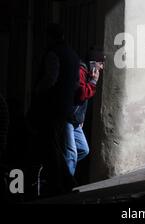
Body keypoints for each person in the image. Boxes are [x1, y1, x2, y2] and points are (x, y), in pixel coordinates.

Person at [28, 23, 80, 196]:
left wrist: (36, 91)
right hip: (66, 107)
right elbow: (76, 83)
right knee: (55, 146)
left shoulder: (54, 53)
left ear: (50, 37)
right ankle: (65, 181)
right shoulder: (72, 55)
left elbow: (50, 78)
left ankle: (59, 183)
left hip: (52, 107)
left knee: (51, 146)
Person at [64, 48, 105, 177]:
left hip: (76, 120)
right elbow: (82, 94)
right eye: (101, 63)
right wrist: (93, 82)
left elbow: (84, 101)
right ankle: (66, 184)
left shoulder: (87, 72)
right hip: (68, 117)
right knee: (72, 153)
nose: (102, 67)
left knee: (83, 150)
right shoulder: (81, 71)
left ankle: (60, 170)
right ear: (93, 63)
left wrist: (81, 119)